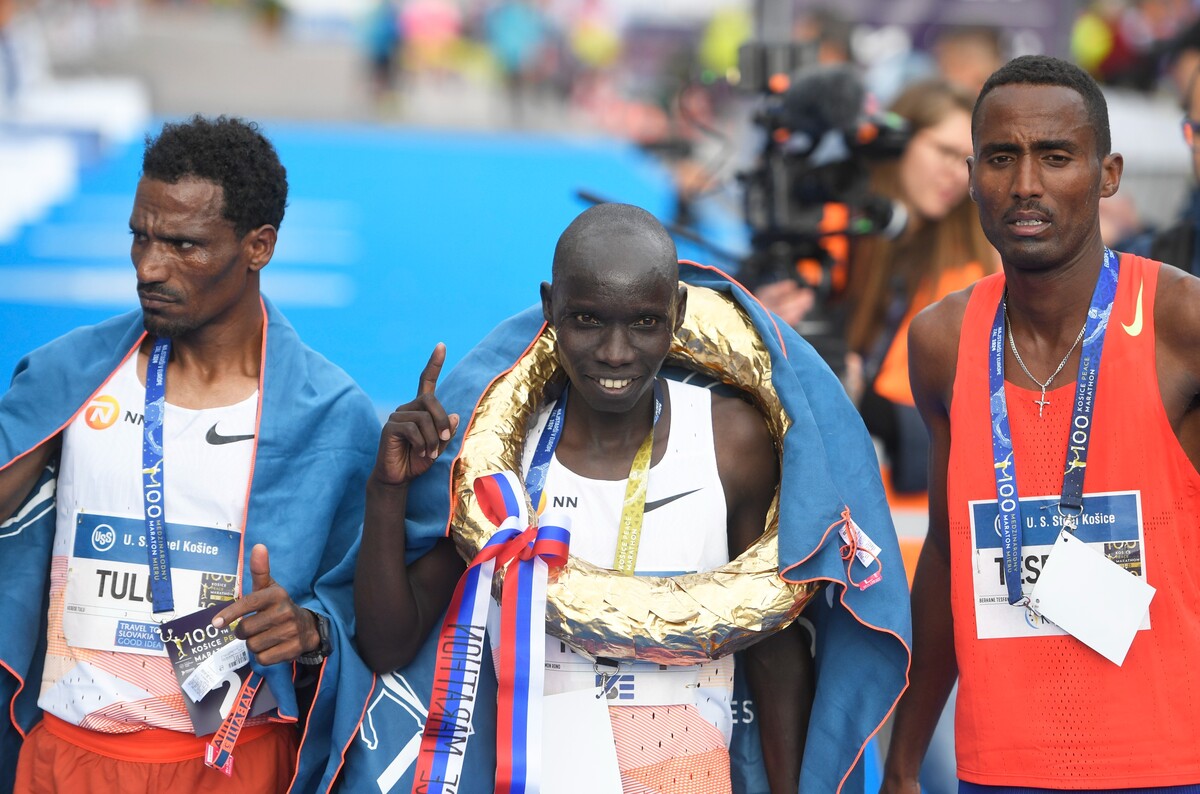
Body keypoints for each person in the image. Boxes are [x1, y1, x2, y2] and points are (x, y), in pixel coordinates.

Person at [345, 203, 912, 793]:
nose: (615, 353)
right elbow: (387, 644)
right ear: (549, 308)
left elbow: (775, 651)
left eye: (643, 323)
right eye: (588, 320)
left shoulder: (731, 444)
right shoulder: (498, 463)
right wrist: (387, 493)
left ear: (679, 314)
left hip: (686, 776)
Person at [0, 115, 379, 793]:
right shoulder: (71, 377)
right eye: (140, 238)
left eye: (183, 244)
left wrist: (311, 633)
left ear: (257, 245)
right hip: (67, 758)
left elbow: (370, 614)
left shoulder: (330, 415)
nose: (150, 267)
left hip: (235, 761)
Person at [882, 54, 1200, 792]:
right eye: (1001, 157)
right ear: (971, 176)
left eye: (1056, 157)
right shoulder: (939, 341)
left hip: (1169, 764)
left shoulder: (1178, 321)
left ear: (1108, 173)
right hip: (1001, 767)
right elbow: (948, 555)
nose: (1025, 185)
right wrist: (904, 760)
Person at [845, 77, 997, 494]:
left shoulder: (969, 267)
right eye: (945, 152)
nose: (956, 174)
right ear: (898, 141)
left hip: (908, 509)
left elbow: (919, 423)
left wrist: (849, 394)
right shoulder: (838, 231)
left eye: (967, 160)